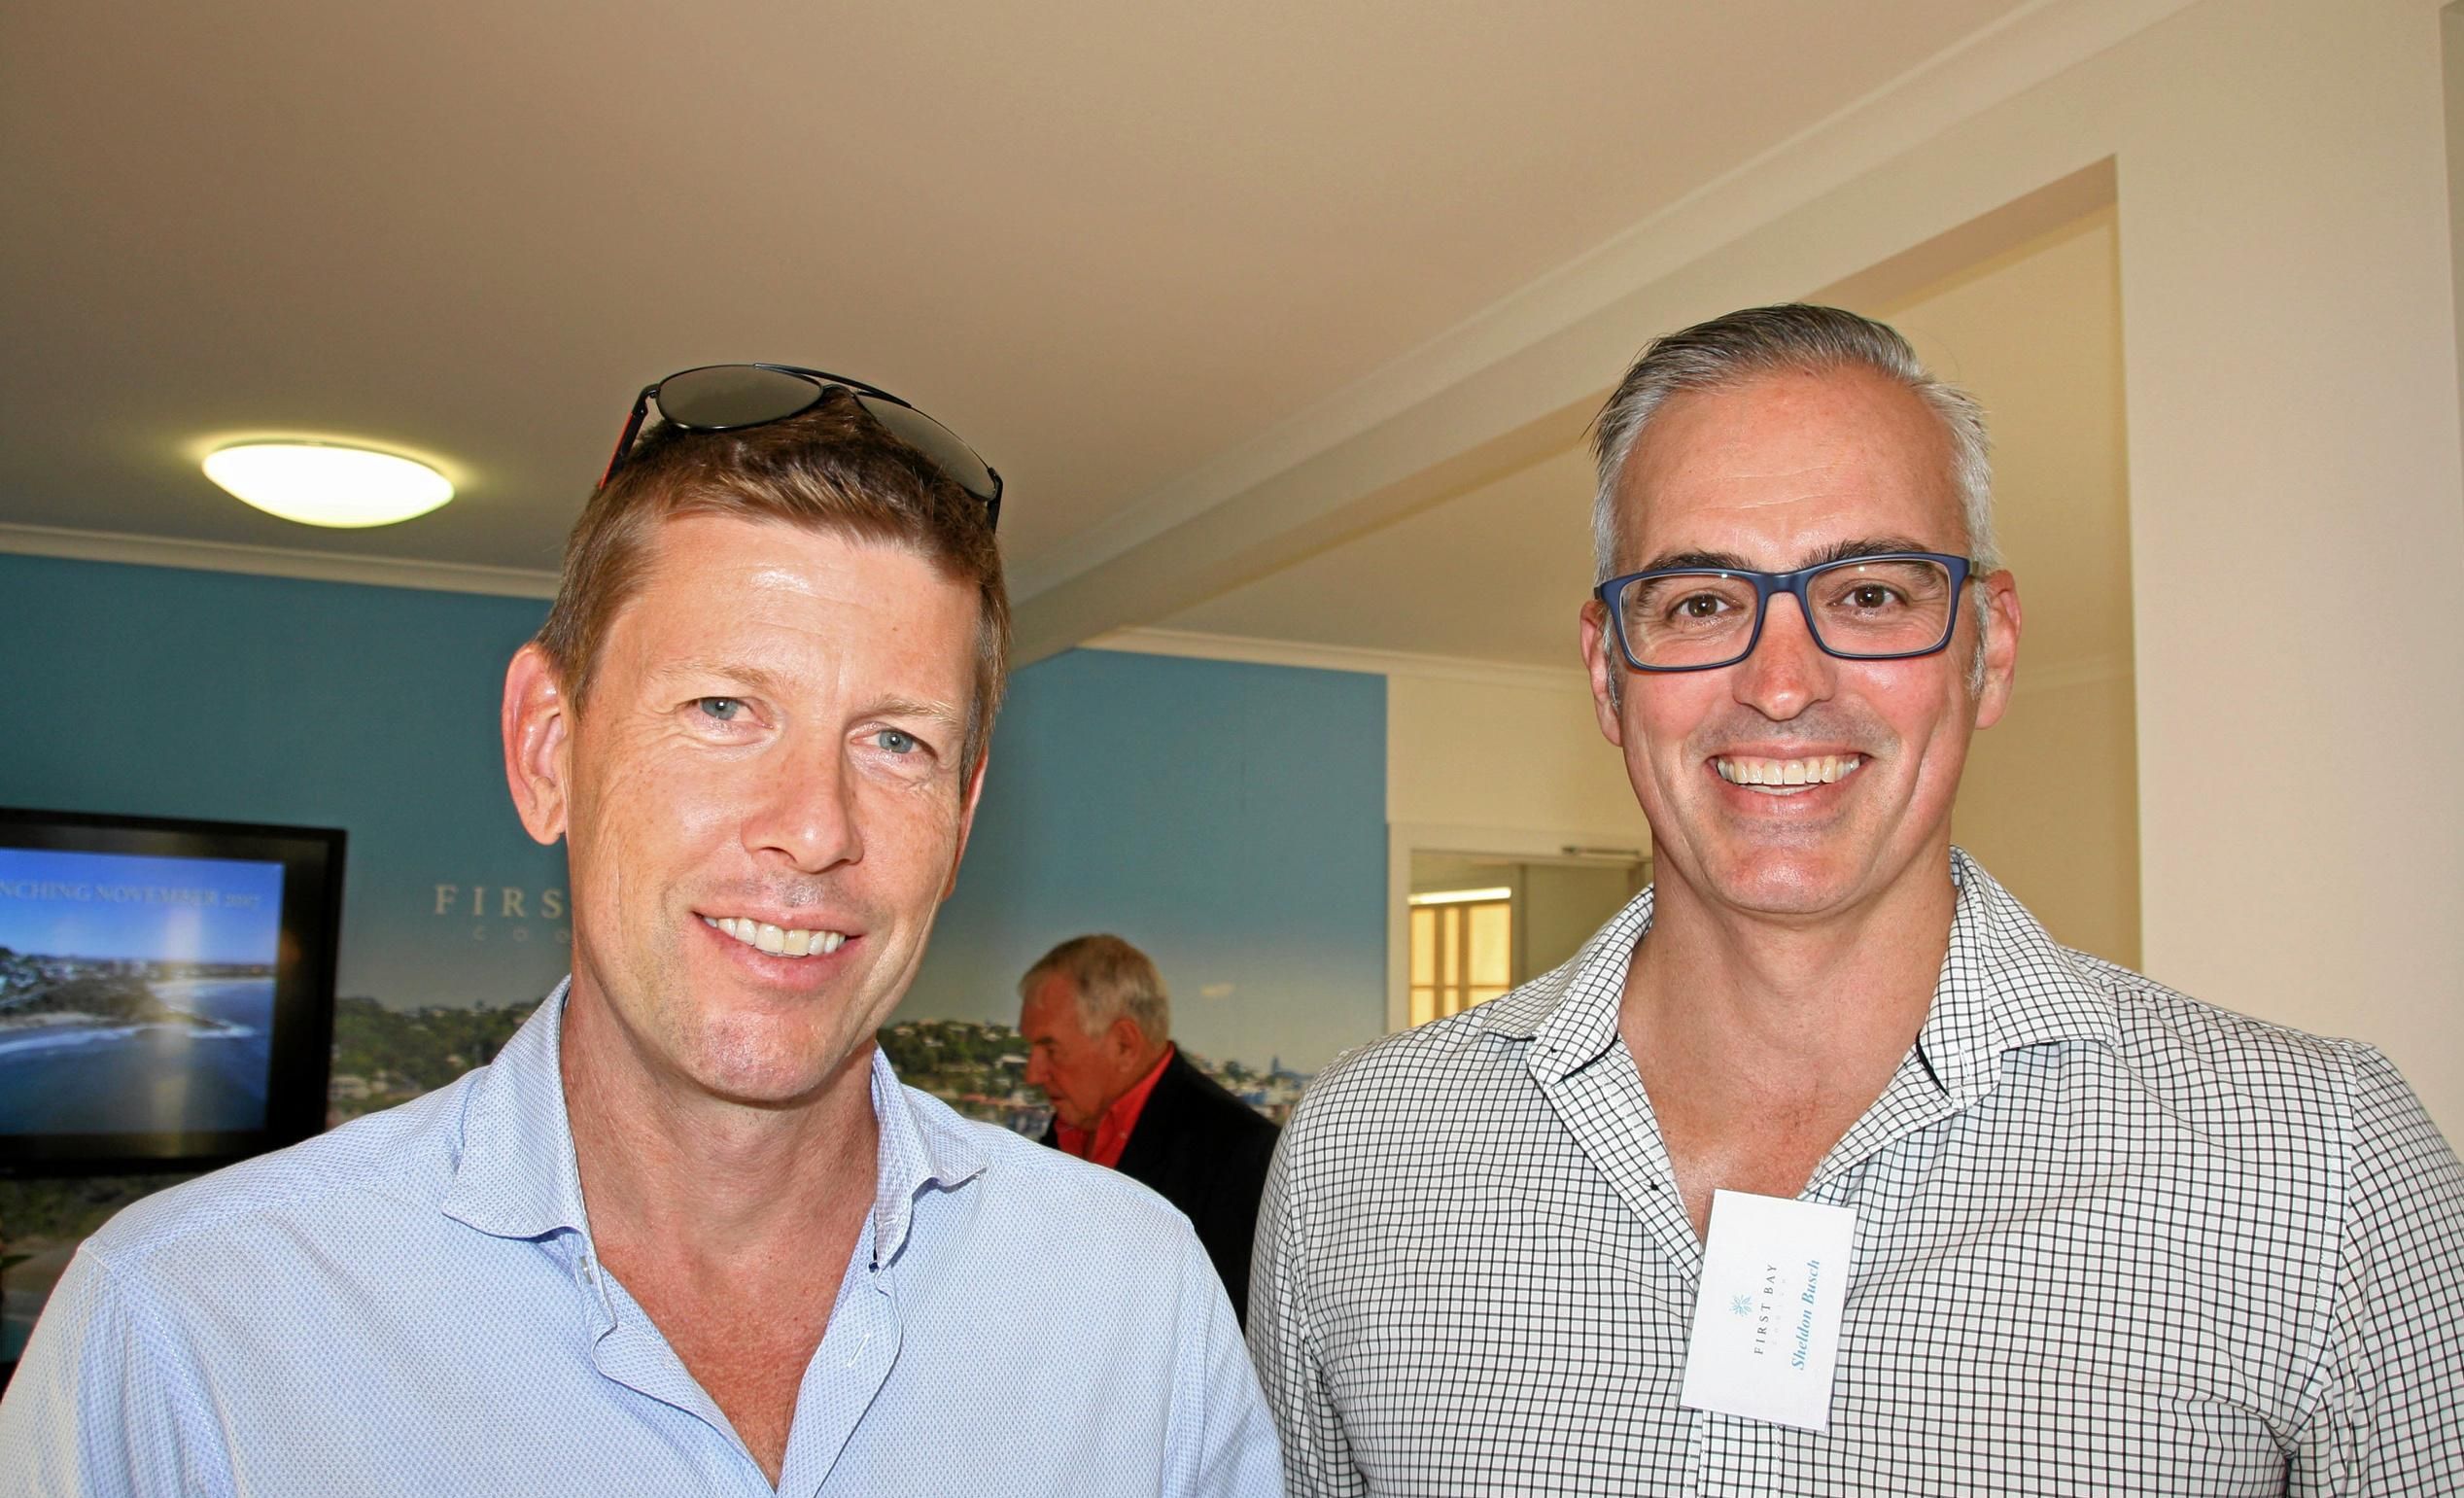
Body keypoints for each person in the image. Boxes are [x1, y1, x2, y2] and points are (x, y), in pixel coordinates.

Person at [0, 366, 1282, 1495]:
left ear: (959, 816)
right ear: (546, 748)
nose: (813, 827)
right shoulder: (182, 1338)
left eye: (894, 741)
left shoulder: (1131, 1301)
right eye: (725, 707)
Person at [1248, 306, 2464, 1494]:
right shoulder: (1361, 1159)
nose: (1783, 683)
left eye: (1872, 593)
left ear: (1987, 648)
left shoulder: (2321, 1169)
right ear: (1610, 675)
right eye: (1701, 602)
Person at [1019, 934, 1280, 1321]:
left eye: (1050, 1048)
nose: (1032, 1073)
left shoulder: (1242, 1156)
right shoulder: (1065, 1133)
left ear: (1124, 1043)